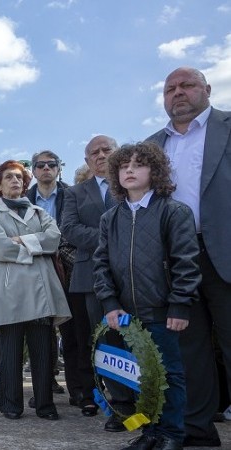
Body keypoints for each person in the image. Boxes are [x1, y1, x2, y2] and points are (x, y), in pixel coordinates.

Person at [92, 142, 199, 450]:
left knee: (169, 375)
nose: (129, 169)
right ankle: (150, 432)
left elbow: (185, 262)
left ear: (155, 171)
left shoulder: (174, 211)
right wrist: (110, 304)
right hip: (126, 316)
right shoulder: (110, 219)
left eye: (138, 164)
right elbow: (101, 265)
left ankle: (172, 434)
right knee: (141, 376)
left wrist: (180, 303)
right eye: (124, 165)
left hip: (163, 311)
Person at [147, 67, 231, 448]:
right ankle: (198, 430)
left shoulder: (227, 126)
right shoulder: (150, 146)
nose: (178, 93)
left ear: (207, 90)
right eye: (170, 89)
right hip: (176, 261)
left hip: (224, 251)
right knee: (189, 347)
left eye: (187, 85)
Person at [0, 160, 71, 421]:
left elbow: (54, 239)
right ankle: (10, 404)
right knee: (9, 351)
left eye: (19, 177)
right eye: (9, 177)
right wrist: (36, 245)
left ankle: (45, 404)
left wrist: (21, 241)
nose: (15, 181)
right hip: (11, 290)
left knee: (43, 351)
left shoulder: (40, 212)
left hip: (42, 290)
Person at [62, 135, 135, 431]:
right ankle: (121, 406)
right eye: (95, 152)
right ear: (87, 160)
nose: (101, 155)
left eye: (107, 150)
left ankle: (149, 397)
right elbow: (69, 229)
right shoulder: (76, 192)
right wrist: (110, 238)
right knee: (106, 340)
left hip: (135, 274)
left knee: (138, 337)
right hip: (90, 277)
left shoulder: (133, 183)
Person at [26, 150, 95, 414]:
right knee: (39, 333)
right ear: (33, 171)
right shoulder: (24, 200)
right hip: (35, 271)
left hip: (70, 268)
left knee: (74, 331)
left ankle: (79, 390)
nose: (46, 169)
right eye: (40, 165)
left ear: (58, 169)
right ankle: (42, 391)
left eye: (51, 165)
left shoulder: (73, 194)